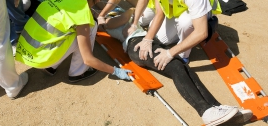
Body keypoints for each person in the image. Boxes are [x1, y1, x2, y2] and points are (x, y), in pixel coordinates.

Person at [99, 9, 253, 126]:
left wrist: (130, 5)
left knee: (182, 66)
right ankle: (205, 111)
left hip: (149, 42)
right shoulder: (108, 23)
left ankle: (217, 108)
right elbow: (124, 16)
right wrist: (112, 12)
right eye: (113, 13)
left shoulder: (130, 18)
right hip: (137, 47)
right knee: (175, 68)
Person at [15, 0, 131, 82]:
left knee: (67, 30)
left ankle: (51, 67)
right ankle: (78, 72)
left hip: (26, 50)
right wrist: (116, 71)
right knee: (92, 26)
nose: (100, 0)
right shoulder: (82, 15)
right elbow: (88, 59)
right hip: (41, 57)